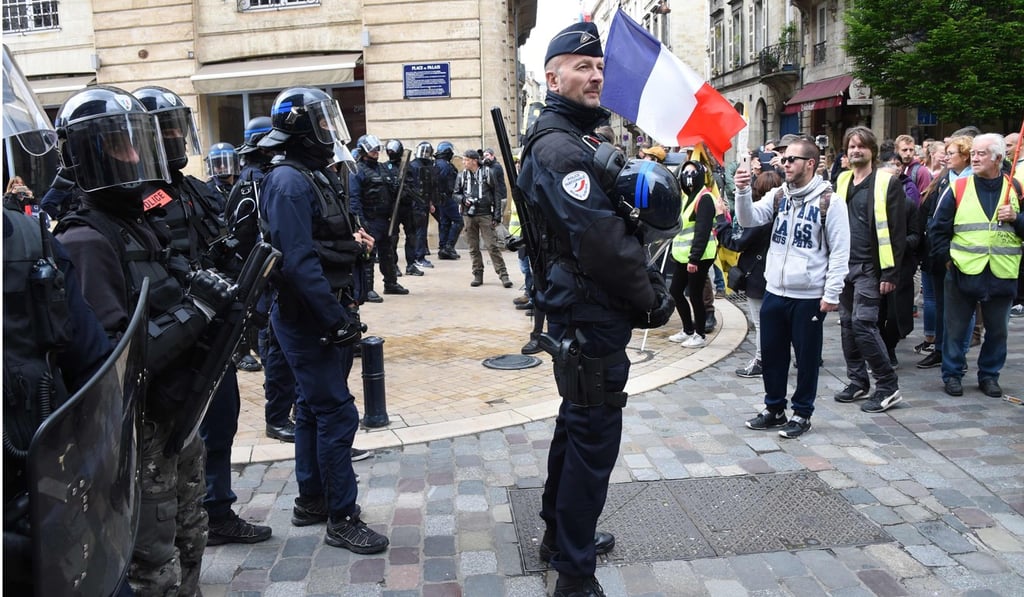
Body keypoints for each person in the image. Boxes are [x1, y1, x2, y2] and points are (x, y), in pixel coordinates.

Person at [53, 85, 235, 595]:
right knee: (154, 556)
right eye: (119, 145)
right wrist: (196, 311)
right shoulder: (86, 239)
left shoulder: (140, 222)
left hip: (177, 409)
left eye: (137, 142)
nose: (135, 157)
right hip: (140, 426)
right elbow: (115, 360)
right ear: (87, 155)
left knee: (190, 531)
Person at [516, 22, 676, 597]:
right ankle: (574, 574)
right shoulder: (560, 148)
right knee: (592, 443)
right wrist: (651, 298)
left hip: (588, 309)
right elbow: (600, 240)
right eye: (582, 67)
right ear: (552, 76)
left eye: (600, 68)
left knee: (577, 427)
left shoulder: (576, 137)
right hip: (589, 312)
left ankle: (560, 537)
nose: (596, 77)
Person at [133, 84, 274, 548]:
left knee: (221, 421)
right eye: (167, 130)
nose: (176, 137)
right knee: (171, 436)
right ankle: (169, 526)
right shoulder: (139, 198)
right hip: (172, 335)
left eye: (179, 128)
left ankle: (215, 510)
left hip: (214, 329)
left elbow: (223, 246)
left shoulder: (195, 189)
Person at [257, 87, 389, 554]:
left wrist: (352, 247)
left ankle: (312, 500)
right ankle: (341, 517)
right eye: (321, 122)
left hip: (322, 308)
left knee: (314, 410)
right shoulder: (289, 182)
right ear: (301, 129)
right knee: (336, 412)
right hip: (309, 315)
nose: (330, 132)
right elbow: (297, 262)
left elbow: (321, 240)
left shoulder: (311, 175)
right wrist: (335, 320)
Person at [736, 136, 850, 439]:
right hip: (775, 290)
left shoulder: (830, 202)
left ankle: (802, 413)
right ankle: (774, 408)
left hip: (808, 295)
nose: (784, 164)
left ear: (810, 164)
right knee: (773, 355)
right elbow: (748, 219)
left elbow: (840, 251)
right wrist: (743, 190)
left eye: (791, 160)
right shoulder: (778, 196)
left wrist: (831, 293)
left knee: (807, 358)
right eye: (784, 159)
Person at [928, 133, 1023, 398]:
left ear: (998, 158)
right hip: (962, 270)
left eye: (981, 153)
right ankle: (952, 374)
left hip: (1002, 271)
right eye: (973, 153)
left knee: (998, 331)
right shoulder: (958, 187)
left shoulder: (1015, 188)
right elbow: (937, 229)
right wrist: (948, 261)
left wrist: (1016, 218)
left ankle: (989, 375)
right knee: (955, 329)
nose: (975, 158)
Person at [226, 116, 298, 441]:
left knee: (279, 345)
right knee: (276, 347)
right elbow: (246, 238)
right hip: (266, 279)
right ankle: (278, 417)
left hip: (269, 277)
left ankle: (284, 412)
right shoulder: (254, 182)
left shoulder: (260, 176)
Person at [832, 126, 908, 413]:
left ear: (872, 151)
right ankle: (858, 381)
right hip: (844, 265)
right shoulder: (842, 180)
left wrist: (890, 273)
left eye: (861, 146)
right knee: (847, 325)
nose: (855, 150)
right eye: (851, 146)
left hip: (870, 267)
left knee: (863, 324)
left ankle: (887, 386)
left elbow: (897, 232)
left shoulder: (887, 182)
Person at [720, 170, 780, 377]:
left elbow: (735, 242)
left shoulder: (759, 218)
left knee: (762, 323)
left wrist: (721, 220)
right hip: (776, 276)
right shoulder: (782, 214)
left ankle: (762, 361)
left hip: (758, 277)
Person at [350, 134, 408, 298]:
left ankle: (391, 283)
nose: (376, 152)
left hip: (386, 219)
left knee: (388, 253)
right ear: (363, 150)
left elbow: (393, 191)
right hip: (369, 219)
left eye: (377, 149)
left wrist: (397, 187)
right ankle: (367, 289)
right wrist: (360, 222)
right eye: (372, 149)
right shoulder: (357, 170)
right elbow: (354, 199)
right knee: (368, 255)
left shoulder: (383, 168)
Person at [667, 160, 717, 348]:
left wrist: (694, 259)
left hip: (699, 257)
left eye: (692, 172)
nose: (688, 176)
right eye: (685, 172)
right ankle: (688, 329)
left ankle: (700, 334)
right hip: (683, 256)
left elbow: (702, 231)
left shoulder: (704, 198)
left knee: (695, 295)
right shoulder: (685, 197)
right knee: (675, 291)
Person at [456, 149, 512, 288]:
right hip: (468, 215)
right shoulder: (461, 176)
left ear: (474, 161)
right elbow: (455, 194)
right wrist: (463, 200)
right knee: (473, 247)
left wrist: (497, 215)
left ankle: (503, 275)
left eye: (466, 160)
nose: (464, 162)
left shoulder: (488, 173)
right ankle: (477, 274)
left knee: (492, 246)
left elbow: (496, 194)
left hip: (486, 214)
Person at [408, 141, 436, 270]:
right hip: (419, 204)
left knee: (416, 231)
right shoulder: (420, 166)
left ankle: (416, 256)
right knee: (420, 231)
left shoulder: (413, 165)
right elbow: (425, 187)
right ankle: (419, 257)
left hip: (418, 203)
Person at [433, 140, 463, 260]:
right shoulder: (445, 165)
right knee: (459, 221)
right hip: (448, 198)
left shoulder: (437, 163)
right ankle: (448, 247)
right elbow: (444, 181)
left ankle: (443, 248)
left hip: (441, 198)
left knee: (445, 223)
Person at [206, 141, 240, 210]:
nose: (222, 166)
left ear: (234, 164)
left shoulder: (243, 185)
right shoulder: (207, 190)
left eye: (226, 163)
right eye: (218, 163)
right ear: (212, 167)